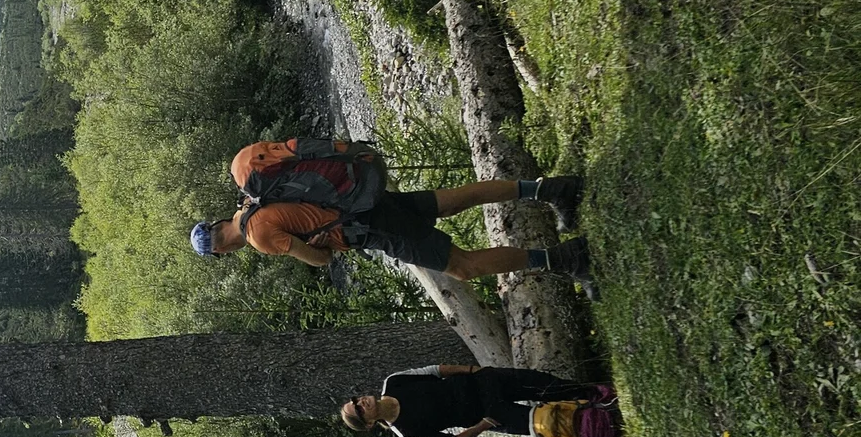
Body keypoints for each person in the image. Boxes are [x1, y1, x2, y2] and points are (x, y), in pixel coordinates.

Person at [189, 137, 590, 282]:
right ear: (217, 222)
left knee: (463, 267)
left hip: (367, 224)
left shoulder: (259, 236)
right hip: (362, 196)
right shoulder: (252, 192)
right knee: (450, 200)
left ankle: (565, 258)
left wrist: (317, 247)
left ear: (221, 249)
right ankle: (551, 189)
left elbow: (321, 259)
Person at [341, 364, 595, 437]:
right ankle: (598, 426)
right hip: (489, 415)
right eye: (359, 410)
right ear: (369, 424)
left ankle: (597, 395)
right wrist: (484, 424)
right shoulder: (407, 433)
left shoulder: (394, 382)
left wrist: (476, 370)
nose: (361, 402)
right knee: (552, 424)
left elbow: (436, 370)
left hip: (484, 381)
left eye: (356, 400)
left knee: (550, 386)